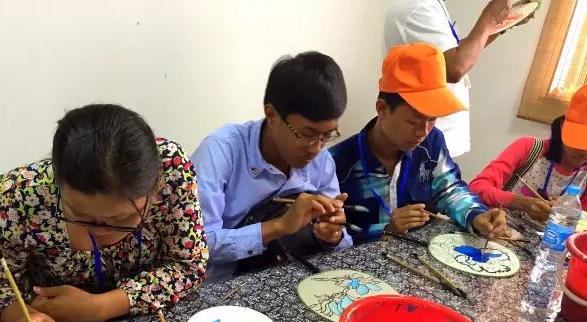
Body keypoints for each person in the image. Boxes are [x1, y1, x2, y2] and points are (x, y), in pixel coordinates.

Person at [0, 104, 208, 322]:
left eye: (123, 219)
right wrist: (24, 321)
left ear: (156, 188)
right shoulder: (17, 198)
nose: (102, 231)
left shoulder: (171, 170)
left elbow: (188, 265)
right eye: (82, 216)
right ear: (57, 184)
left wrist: (100, 306)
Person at [192, 51, 352, 280]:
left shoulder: (322, 162)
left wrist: (332, 236)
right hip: (224, 288)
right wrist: (279, 226)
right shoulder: (220, 151)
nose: (316, 147)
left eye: (328, 135)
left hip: (293, 277)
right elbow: (197, 246)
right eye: (307, 134)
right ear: (272, 114)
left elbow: (344, 246)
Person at [330, 43, 506, 241]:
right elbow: (328, 234)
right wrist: (385, 230)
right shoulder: (337, 163)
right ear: (382, 108)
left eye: (432, 119)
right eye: (412, 122)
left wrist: (476, 215)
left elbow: (448, 189)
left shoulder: (432, 142)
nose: (423, 132)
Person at [384, 0, 513, 158]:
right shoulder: (419, 6)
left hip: (432, 136)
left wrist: (497, 26)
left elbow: (450, 54)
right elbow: (455, 67)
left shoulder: (430, 4)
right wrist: (490, 16)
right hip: (421, 137)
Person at [470, 84, 587, 221]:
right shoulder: (530, 148)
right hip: (499, 226)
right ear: (562, 126)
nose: (584, 150)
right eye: (579, 140)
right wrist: (522, 203)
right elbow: (477, 187)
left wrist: (567, 209)